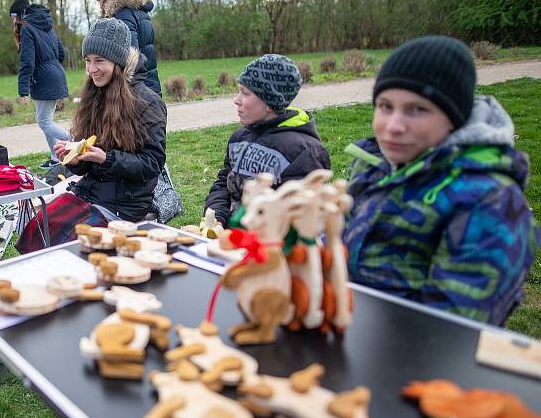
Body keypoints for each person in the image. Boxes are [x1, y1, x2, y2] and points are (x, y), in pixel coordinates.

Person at [343, 36, 540, 325]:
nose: (393, 126)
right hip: (342, 335)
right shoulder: (372, 165)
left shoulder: (490, 200)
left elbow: (454, 326)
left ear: (454, 118)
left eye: (417, 109)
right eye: (385, 106)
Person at [15, 18, 166, 253]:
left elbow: (152, 164)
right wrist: (76, 160)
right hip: (90, 192)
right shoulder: (94, 96)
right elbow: (87, 162)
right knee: (38, 230)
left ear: (118, 62)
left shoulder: (147, 102)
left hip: (125, 204)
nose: (92, 69)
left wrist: (106, 159)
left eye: (99, 61)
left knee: (69, 249)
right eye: (88, 61)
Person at [204, 54, 331, 227]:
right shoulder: (239, 138)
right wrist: (217, 215)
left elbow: (300, 215)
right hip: (231, 238)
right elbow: (225, 181)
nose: (236, 100)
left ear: (270, 102)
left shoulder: (303, 152)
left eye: (245, 93)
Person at [10, 0, 70, 171]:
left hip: (44, 79)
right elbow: (62, 53)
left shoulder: (27, 28)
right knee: (46, 121)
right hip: (55, 75)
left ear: (19, 15)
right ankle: (55, 157)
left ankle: (73, 141)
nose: (13, 21)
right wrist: (52, 67)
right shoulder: (46, 25)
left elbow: (27, 61)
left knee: (44, 122)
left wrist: (23, 90)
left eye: (13, 17)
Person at [92, 0, 161, 96]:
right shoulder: (138, 11)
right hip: (150, 83)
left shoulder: (122, 15)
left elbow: (131, 57)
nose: (99, 4)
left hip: (137, 89)